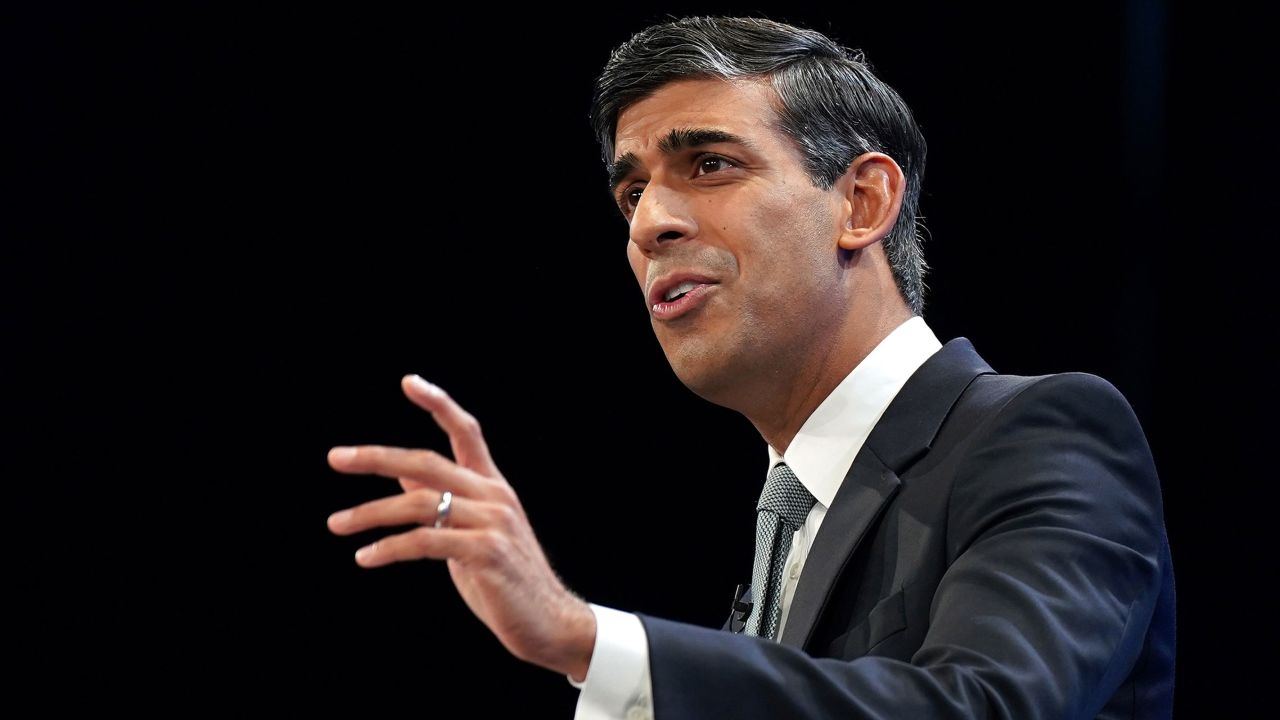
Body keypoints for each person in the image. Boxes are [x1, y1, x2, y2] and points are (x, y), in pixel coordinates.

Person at [325, 16, 1175, 719]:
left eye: (710, 165)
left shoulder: (1042, 433)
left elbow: (985, 706)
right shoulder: (788, 517)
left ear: (861, 203)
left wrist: (586, 639)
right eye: (630, 193)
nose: (649, 223)